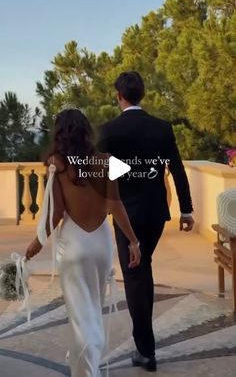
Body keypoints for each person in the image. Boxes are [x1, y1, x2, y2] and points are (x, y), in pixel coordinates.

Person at [25, 108, 141, 377]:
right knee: (93, 310)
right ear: (87, 132)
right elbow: (115, 205)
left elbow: (54, 214)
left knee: (80, 316)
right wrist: (133, 241)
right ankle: (88, 366)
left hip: (74, 245)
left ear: (60, 134)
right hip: (101, 244)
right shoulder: (107, 161)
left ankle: (86, 372)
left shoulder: (57, 164)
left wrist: (37, 243)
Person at [97, 71, 194, 372]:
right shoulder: (162, 128)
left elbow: (101, 176)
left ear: (119, 96)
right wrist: (187, 210)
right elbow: (177, 170)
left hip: (126, 215)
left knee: (135, 276)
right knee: (143, 267)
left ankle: (146, 351)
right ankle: (145, 345)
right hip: (154, 213)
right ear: (142, 95)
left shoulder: (109, 130)